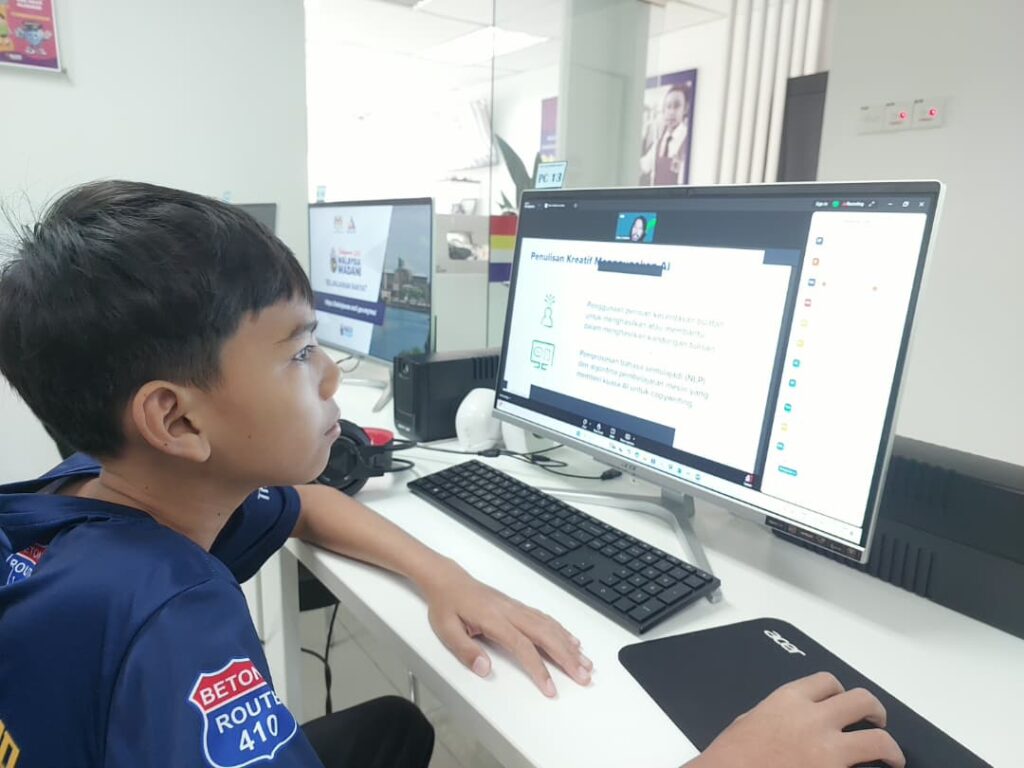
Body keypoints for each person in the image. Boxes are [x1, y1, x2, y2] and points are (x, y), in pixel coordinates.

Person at [0, 181, 905, 768]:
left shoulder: (100, 492)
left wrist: (446, 577)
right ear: (176, 419)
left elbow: (300, 502)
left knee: (396, 727)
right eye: (299, 351)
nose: (329, 375)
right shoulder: (171, 621)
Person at [639, 83, 692, 186]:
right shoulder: (660, 140)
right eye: (668, 107)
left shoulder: (688, 141)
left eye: (676, 106)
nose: (671, 112)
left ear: (685, 109)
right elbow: (644, 166)